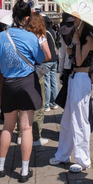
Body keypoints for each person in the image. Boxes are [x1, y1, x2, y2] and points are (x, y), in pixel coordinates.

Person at [0, 0, 44, 182]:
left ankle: (0, 166)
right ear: (27, 18)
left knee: (7, 127)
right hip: (27, 83)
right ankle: (23, 170)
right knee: (26, 128)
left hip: (9, 84)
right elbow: (40, 58)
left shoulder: (1, 36)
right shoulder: (31, 37)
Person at [50, 17, 93, 173]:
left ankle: (83, 160)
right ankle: (63, 154)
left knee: (80, 120)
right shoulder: (79, 35)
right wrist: (71, 50)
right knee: (67, 119)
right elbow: (74, 59)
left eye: (76, 17)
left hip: (82, 80)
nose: (73, 20)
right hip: (74, 78)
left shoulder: (88, 37)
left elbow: (80, 59)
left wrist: (76, 43)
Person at [25, 12, 52, 146]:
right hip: (36, 71)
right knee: (38, 105)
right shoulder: (40, 37)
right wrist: (39, 58)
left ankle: (20, 134)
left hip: (23, 72)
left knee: (23, 106)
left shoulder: (23, 35)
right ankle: (36, 137)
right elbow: (48, 55)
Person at [42, 15, 59, 111]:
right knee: (54, 82)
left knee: (46, 83)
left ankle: (46, 105)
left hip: (47, 60)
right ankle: (54, 103)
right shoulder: (53, 31)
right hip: (54, 59)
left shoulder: (44, 33)